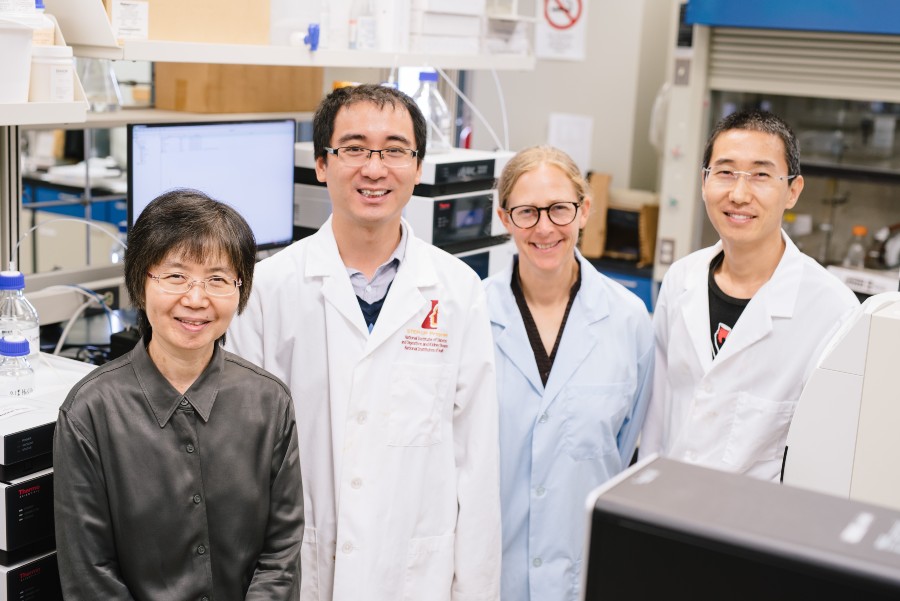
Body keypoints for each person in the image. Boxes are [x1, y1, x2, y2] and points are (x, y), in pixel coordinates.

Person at [226, 84, 501, 601]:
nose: (374, 168)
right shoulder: (269, 289)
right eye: (353, 148)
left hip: (415, 575)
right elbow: (243, 461)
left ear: (418, 167)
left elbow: (477, 461)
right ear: (322, 164)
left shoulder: (458, 291)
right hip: (301, 572)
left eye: (395, 150)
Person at [54, 189, 303, 600]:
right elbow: (89, 576)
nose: (196, 298)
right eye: (175, 276)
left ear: (240, 290)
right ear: (140, 281)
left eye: (218, 279)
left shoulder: (269, 402)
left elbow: (281, 556)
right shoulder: (90, 412)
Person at [640, 109, 859, 481]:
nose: (739, 194)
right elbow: (656, 413)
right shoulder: (681, 281)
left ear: (792, 191)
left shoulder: (832, 311)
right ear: (704, 181)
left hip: (752, 527)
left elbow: (828, 458)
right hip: (662, 506)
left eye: (760, 175)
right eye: (725, 172)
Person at [483, 145, 653, 601]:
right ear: (505, 218)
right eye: (526, 212)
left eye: (560, 209)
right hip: (489, 575)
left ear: (585, 210)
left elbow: (625, 449)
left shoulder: (628, 319)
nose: (544, 228)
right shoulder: (473, 314)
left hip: (583, 576)